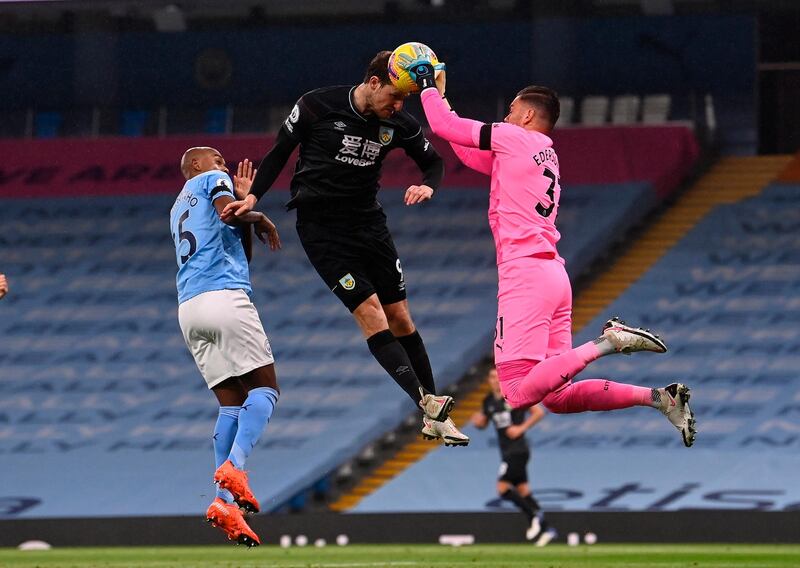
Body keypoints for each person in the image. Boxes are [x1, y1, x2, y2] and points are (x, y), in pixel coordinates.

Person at [409, 58, 696, 447]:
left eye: (509, 112)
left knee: (514, 391)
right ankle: (658, 397)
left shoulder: (515, 138)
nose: (505, 118)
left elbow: (445, 127)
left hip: (525, 276)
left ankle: (610, 342)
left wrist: (426, 84)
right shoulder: (542, 152)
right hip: (552, 277)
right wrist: (441, 99)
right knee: (558, 397)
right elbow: (464, 147)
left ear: (526, 115)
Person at [222, 51, 469, 446]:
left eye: (405, 100)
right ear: (374, 83)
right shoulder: (317, 104)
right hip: (322, 229)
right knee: (371, 314)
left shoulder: (398, 123)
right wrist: (253, 199)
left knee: (401, 318)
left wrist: (428, 185)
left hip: (369, 225)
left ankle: (433, 412)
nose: (399, 106)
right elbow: (280, 152)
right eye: (395, 96)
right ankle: (427, 404)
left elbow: (433, 162)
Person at [170, 147, 282, 547]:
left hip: (189, 309)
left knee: (231, 403)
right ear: (195, 166)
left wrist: (243, 207)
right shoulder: (209, 180)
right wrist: (258, 212)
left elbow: (241, 250)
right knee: (266, 388)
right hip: (223, 297)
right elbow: (226, 212)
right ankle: (235, 467)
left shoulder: (177, 208)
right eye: (216, 158)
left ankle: (223, 502)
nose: (224, 164)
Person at [471, 366, 556, 546]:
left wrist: (521, 428)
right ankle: (547, 529)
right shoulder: (488, 401)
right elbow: (484, 423)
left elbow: (538, 412)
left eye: (496, 376)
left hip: (518, 450)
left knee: (502, 488)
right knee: (524, 492)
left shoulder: (514, 393)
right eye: (491, 377)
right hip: (506, 450)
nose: (494, 380)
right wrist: (478, 423)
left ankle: (533, 517)